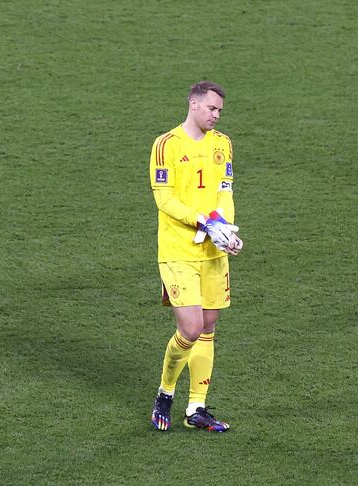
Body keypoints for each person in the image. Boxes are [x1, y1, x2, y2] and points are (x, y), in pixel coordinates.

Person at [148, 81, 242, 432]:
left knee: (209, 326)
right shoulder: (166, 145)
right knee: (189, 327)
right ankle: (166, 393)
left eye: (220, 111)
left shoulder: (223, 144)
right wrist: (203, 221)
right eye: (211, 109)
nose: (216, 115)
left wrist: (225, 230)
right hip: (177, 251)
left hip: (212, 252)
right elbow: (165, 199)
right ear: (193, 104)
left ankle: (196, 408)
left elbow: (225, 190)